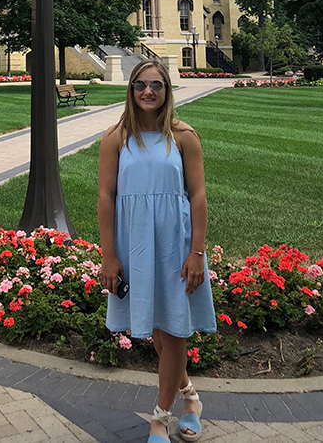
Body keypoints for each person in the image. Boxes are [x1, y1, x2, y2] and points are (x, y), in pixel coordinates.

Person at [98, 61, 216, 442]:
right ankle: (191, 398)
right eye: (140, 85)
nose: (148, 92)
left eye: (156, 85)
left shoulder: (184, 137)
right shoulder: (116, 138)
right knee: (158, 333)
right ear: (130, 91)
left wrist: (196, 252)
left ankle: (160, 419)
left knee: (175, 329)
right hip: (135, 244)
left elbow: (197, 196)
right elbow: (105, 197)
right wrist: (109, 256)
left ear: (167, 90)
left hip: (175, 245)